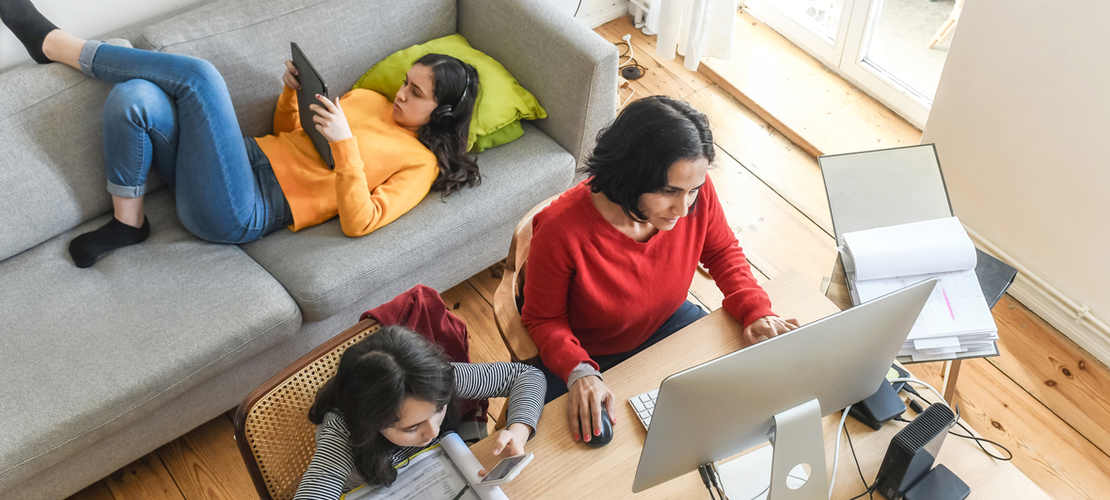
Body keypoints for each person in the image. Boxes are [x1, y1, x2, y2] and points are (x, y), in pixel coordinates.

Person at [0, 0, 480, 268]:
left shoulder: (419, 164)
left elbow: (361, 221)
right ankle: (129, 223)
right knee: (136, 98)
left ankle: (56, 45)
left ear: (440, 114)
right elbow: (290, 136)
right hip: (237, 161)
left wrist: (345, 146)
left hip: (244, 208)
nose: (400, 94)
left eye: (415, 94)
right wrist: (291, 95)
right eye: (405, 82)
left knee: (201, 77)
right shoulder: (373, 101)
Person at [521, 95, 800, 444]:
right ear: (629, 174)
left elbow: (722, 251)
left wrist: (756, 310)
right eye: (669, 192)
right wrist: (579, 371)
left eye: (693, 191)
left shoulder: (695, 194)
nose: (683, 209)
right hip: (590, 352)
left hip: (668, 321)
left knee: (739, 408)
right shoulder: (561, 230)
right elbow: (542, 319)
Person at [293, 325, 545, 499]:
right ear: (371, 423)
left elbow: (526, 375)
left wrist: (519, 430)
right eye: (411, 427)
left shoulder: (435, 380)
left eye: (439, 409)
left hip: (438, 472)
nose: (433, 430)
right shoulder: (342, 433)